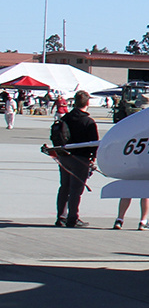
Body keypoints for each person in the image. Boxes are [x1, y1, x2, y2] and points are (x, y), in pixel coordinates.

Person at [53, 91, 98, 228]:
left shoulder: (66, 118)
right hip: (80, 159)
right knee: (76, 190)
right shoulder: (88, 122)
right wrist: (93, 158)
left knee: (64, 187)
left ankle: (61, 217)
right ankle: (73, 218)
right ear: (87, 103)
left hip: (64, 157)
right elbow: (94, 143)